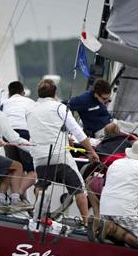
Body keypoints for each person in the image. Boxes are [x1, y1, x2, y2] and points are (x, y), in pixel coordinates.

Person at [26, 78, 99, 225]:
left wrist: (65, 138)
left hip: (39, 157)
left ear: (38, 93)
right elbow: (77, 131)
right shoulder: (59, 107)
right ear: (55, 93)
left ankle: (38, 219)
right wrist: (91, 151)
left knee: (41, 187)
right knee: (79, 190)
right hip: (60, 157)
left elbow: (44, 129)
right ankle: (85, 224)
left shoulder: (29, 109)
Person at [68, 79, 138, 157]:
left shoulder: (101, 97)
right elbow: (62, 106)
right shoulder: (83, 100)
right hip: (102, 131)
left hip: (113, 123)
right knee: (135, 142)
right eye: (104, 99)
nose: (107, 101)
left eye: (109, 99)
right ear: (96, 95)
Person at [0, 81, 37, 200]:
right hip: (25, 134)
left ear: (9, 94)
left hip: (8, 135)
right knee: (33, 171)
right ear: (23, 93)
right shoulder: (31, 102)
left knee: (16, 167)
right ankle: (18, 194)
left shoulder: (4, 103)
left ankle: (17, 200)